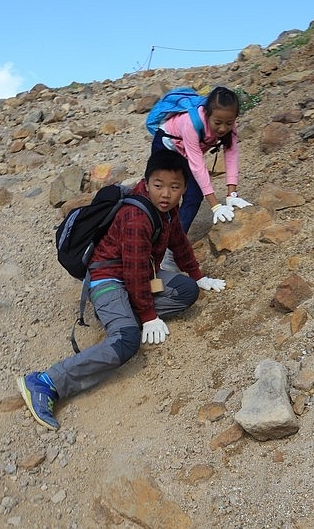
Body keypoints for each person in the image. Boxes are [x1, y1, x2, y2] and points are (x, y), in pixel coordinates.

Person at [17, 149, 226, 430]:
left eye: (174, 187)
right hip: (108, 279)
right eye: (158, 185)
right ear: (147, 181)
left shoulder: (167, 210)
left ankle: (125, 313)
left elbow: (178, 242)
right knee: (127, 341)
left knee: (186, 291)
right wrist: (149, 315)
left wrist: (198, 276)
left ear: (184, 188)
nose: (166, 194)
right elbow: (135, 272)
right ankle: (46, 382)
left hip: (136, 277)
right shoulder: (135, 216)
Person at [151, 86, 252, 236]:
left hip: (186, 152)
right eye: (217, 123)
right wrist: (215, 206)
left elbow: (231, 155)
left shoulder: (231, 125)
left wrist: (232, 195)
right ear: (207, 114)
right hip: (166, 146)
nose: (223, 128)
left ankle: (173, 243)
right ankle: (154, 235)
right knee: (167, 192)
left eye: (229, 123)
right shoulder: (191, 124)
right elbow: (197, 165)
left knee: (194, 194)